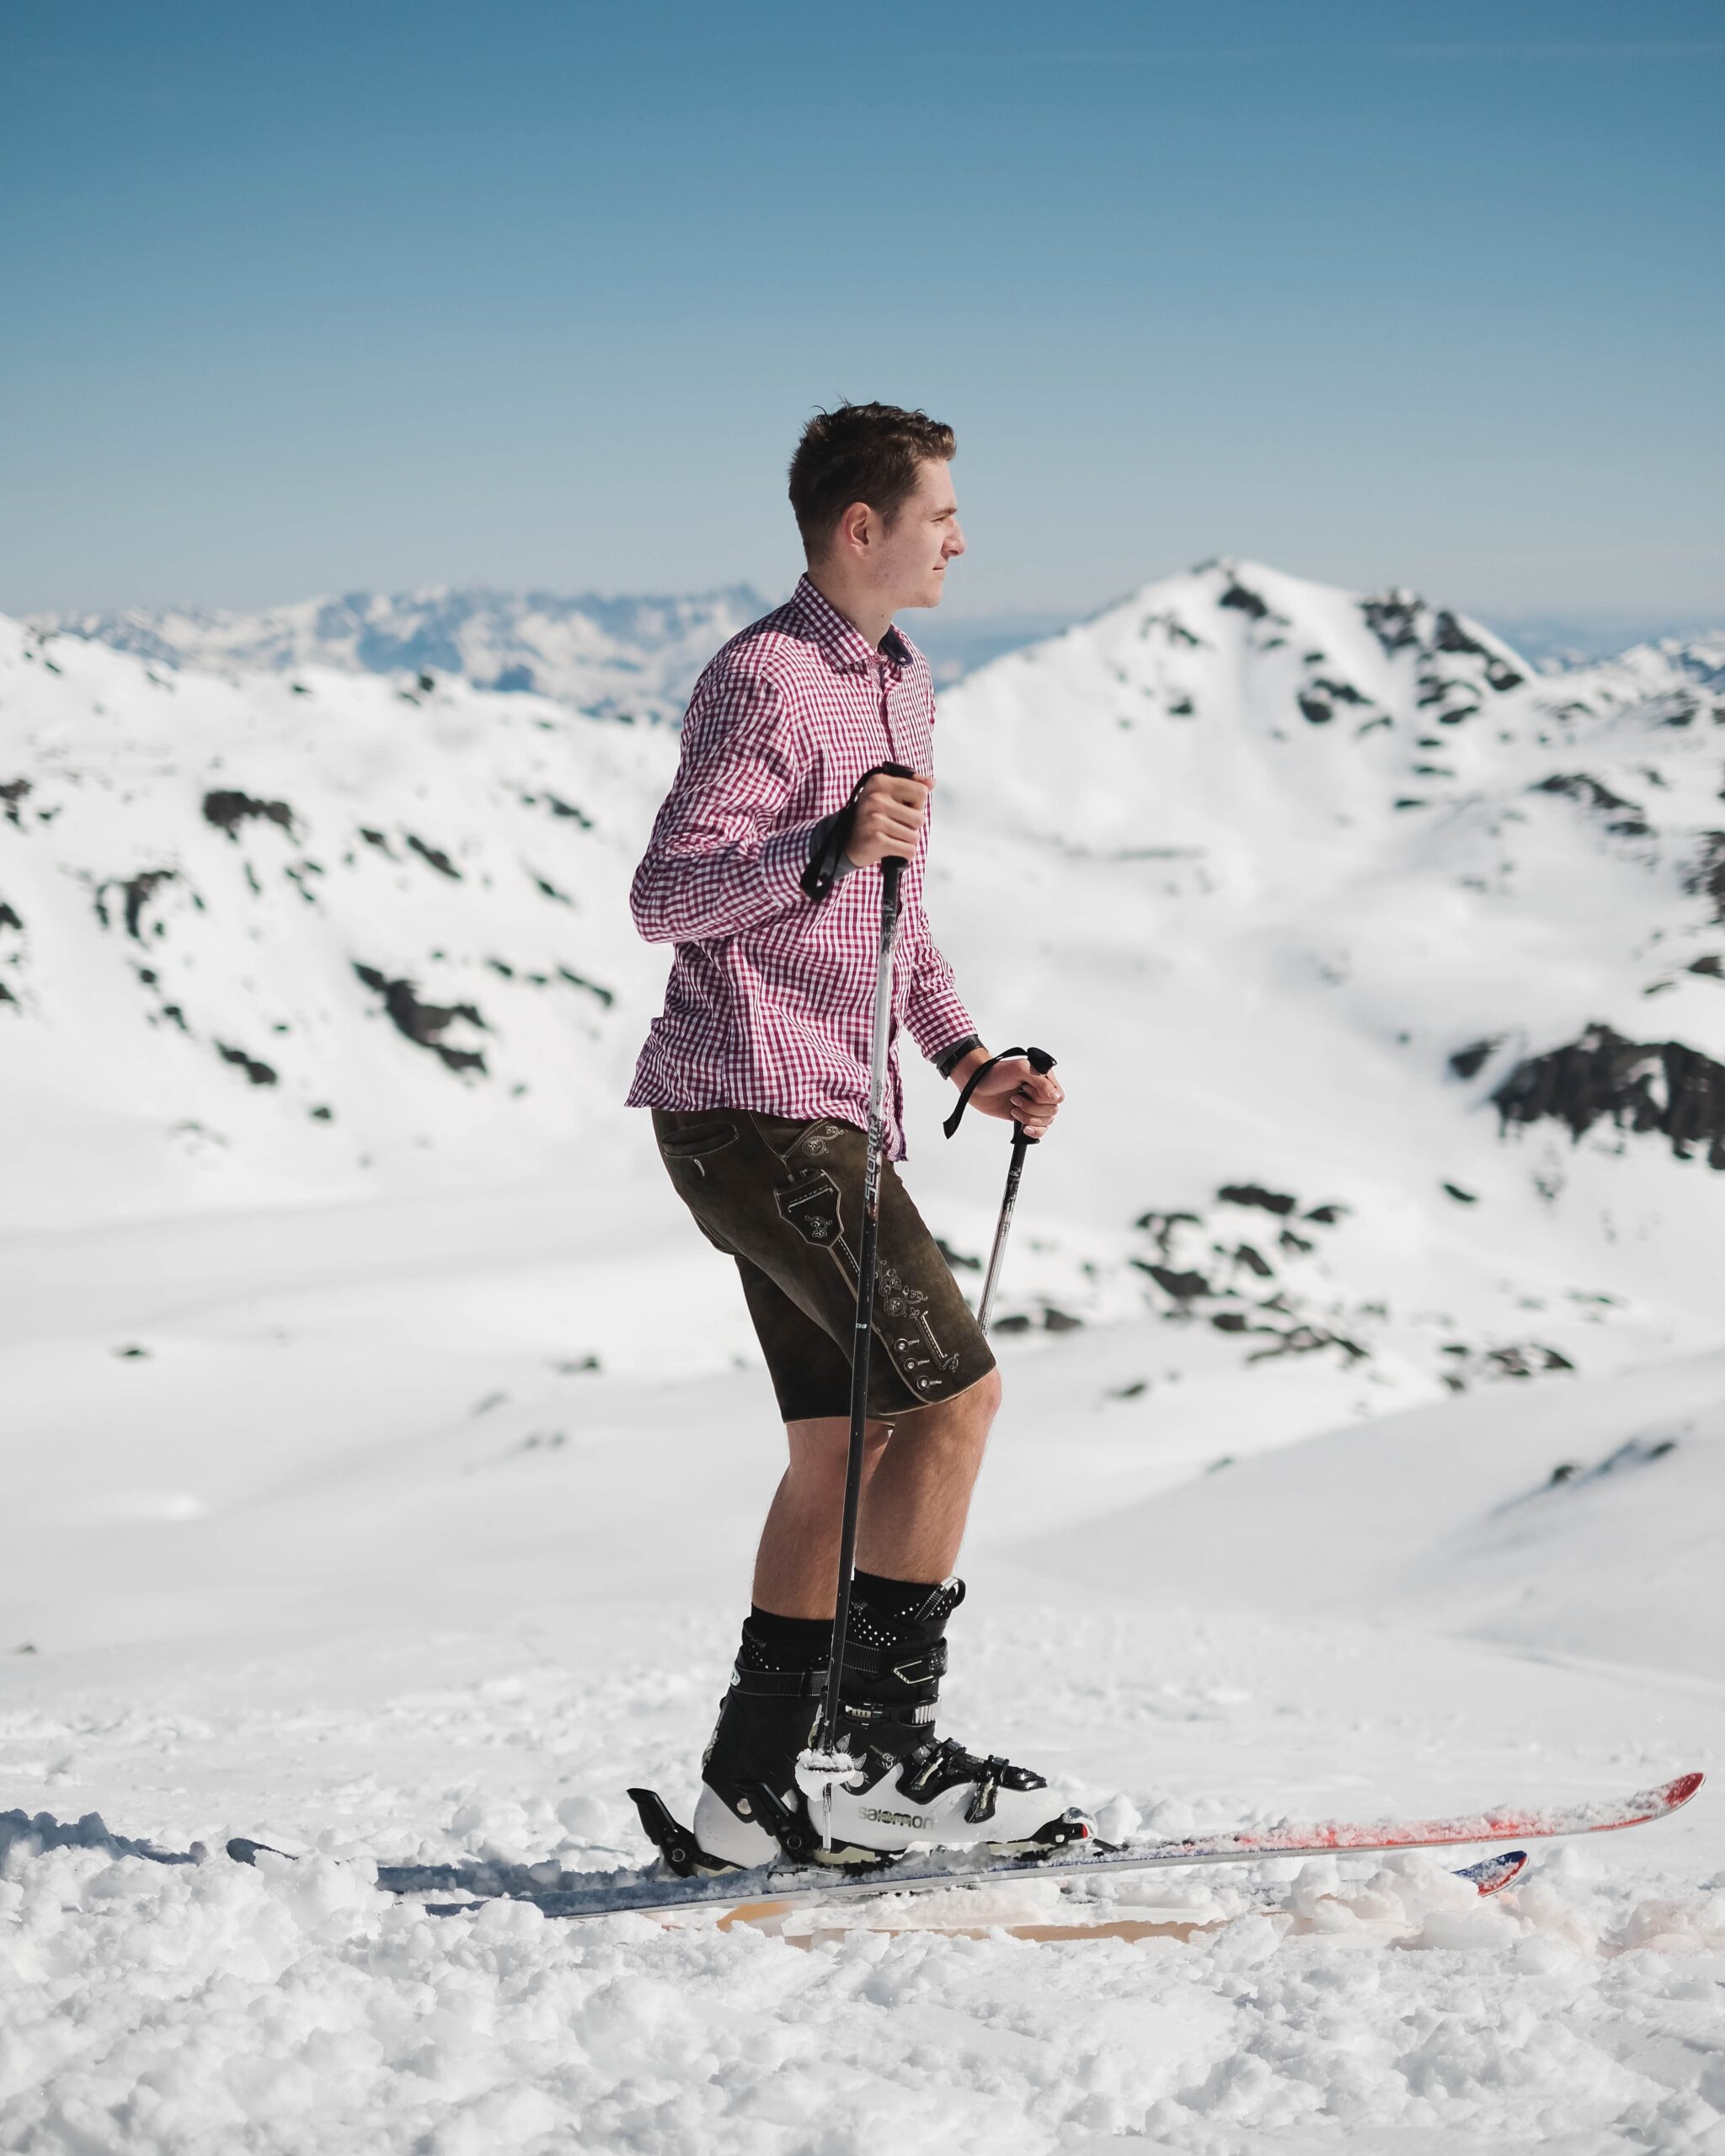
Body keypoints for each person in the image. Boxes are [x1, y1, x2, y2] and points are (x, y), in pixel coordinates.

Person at [625, 402, 1068, 1867]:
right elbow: (668, 898)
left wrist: (964, 1055)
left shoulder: (900, 683)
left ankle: (752, 1790)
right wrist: (815, 842)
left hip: (823, 1104)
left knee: (847, 1442)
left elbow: (898, 915)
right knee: (955, 1405)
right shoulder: (763, 679)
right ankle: (876, 1756)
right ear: (861, 529)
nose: (962, 536)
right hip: (757, 1107)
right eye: (941, 512)